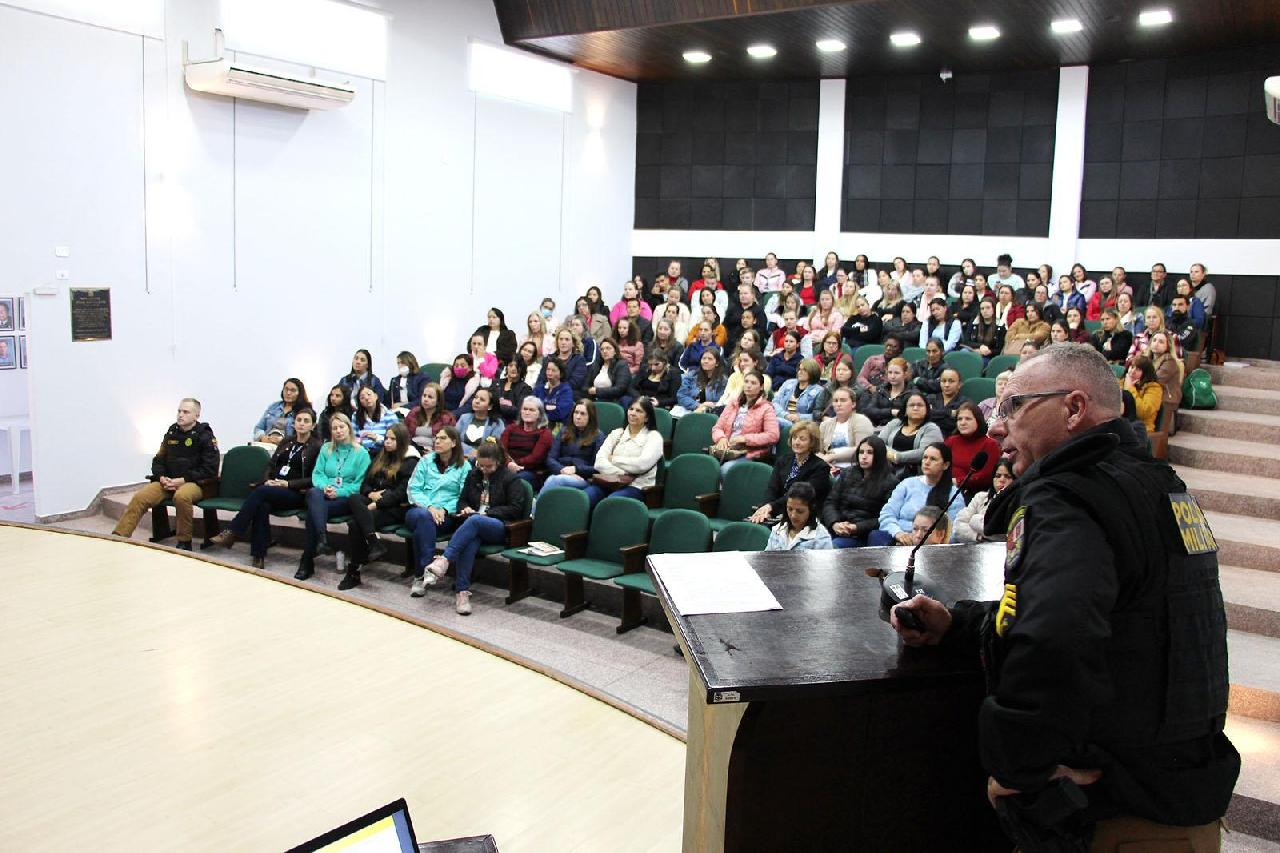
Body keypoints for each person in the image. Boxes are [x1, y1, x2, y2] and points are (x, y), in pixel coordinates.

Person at [890, 343, 1238, 850]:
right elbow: (1123, 620)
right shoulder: (1160, 484)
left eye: (1014, 406)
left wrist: (1018, 769)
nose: (996, 426)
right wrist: (960, 625)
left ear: (1073, 408)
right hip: (1179, 798)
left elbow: (1052, 638)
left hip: (1115, 820)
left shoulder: (1067, 497)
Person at [420, 439, 530, 615]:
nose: (484, 470)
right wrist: (465, 508)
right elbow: (461, 500)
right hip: (473, 526)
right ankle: (462, 592)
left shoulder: (511, 479)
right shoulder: (473, 475)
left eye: (489, 467)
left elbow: (515, 509)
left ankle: (444, 560)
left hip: (500, 526)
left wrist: (487, 513)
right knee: (470, 540)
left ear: (498, 462)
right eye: (481, 465)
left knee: (475, 521)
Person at [210, 408, 321, 567]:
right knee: (262, 506)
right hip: (273, 488)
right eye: (299, 420)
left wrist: (287, 484)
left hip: (296, 492)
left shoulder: (317, 447)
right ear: (294, 423)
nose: (301, 424)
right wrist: (268, 480)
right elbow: (271, 465)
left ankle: (234, 531)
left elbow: (315, 478)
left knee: (261, 492)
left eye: (306, 421)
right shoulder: (286, 441)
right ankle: (258, 555)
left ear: (313, 425)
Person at [112, 398, 220, 551]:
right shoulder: (171, 433)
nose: (180, 415)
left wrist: (182, 480)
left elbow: (210, 469)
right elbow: (158, 460)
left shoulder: (205, 436)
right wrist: (161, 477)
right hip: (167, 482)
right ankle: (119, 536)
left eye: (186, 412)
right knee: (141, 497)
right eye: (179, 411)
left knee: (182, 497)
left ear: (196, 416)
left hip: (194, 483)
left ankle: (184, 542)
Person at [339, 422, 418, 589]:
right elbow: (365, 484)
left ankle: (354, 571)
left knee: (355, 524)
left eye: (392, 439)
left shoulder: (410, 461)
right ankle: (373, 541)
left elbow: (401, 493)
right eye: (386, 438)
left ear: (402, 441)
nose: (387, 442)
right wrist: (370, 494)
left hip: (396, 508)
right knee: (354, 498)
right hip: (375, 501)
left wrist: (377, 504)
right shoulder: (380, 456)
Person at [298, 413, 370, 580]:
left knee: (313, 513)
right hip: (323, 495)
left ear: (349, 428)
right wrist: (326, 487)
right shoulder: (326, 448)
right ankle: (321, 537)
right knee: (314, 492)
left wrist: (339, 492)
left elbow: (359, 485)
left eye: (341, 427)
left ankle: (307, 559)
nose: (338, 431)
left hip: (345, 499)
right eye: (334, 428)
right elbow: (317, 474)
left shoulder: (361, 453)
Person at [871, 442, 964, 546]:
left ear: (945, 465)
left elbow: (953, 531)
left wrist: (920, 538)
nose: (927, 462)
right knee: (876, 536)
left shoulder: (954, 495)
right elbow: (887, 514)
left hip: (930, 545)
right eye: (925, 457)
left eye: (933, 459)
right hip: (899, 540)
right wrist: (898, 533)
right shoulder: (907, 484)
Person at [748, 422, 831, 525]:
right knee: (754, 524)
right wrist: (766, 509)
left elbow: (800, 495)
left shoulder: (820, 467)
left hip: (802, 516)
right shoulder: (783, 460)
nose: (797, 442)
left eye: (802, 439)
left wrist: (771, 507)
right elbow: (772, 489)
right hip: (778, 510)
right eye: (794, 438)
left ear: (812, 442)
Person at [585, 398, 665, 505]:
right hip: (609, 482)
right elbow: (599, 462)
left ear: (647, 418)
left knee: (611, 502)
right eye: (631, 409)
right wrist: (623, 473)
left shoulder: (654, 437)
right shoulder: (616, 433)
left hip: (636, 486)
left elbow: (641, 465)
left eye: (639, 411)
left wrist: (613, 459)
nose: (633, 413)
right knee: (585, 497)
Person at [823, 435, 898, 548]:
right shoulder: (847, 473)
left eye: (870, 453)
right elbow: (830, 502)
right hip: (839, 529)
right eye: (861, 452)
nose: (864, 456)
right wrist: (834, 523)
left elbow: (886, 517)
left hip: (864, 535)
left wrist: (856, 527)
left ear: (879, 455)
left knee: (834, 546)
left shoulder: (890, 482)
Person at [711, 370, 780, 470]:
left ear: (761, 387)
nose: (748, 385)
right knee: (705, 466)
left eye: (753, 383)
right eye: (746, 382)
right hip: (726, 450)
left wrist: (745, 439)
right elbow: (717, 428)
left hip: (750, 453)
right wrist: (721, 438)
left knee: (726, 470)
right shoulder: (733, 404)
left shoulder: (767, 408)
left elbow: (773, 435)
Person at [540, 400, 606, 496]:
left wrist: (576, 469)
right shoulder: (564, 431)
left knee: (554, 480)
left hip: (582, 478)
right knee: (554, 479)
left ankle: (536, 506)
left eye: (582, 414)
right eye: (576, 412)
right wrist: (562, 470)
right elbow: (550, 459)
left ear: (590, 417)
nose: (578, 417)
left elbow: (597, 467)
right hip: (560, 473)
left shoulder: (598, 436)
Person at [879, 391, 944, 476]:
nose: (915, 408)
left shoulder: (932, 428)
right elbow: (878, 442)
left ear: (927, 409)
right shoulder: (895, 423)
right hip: (887, 470)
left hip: (916, 474)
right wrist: (890, 455)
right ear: (905, 410)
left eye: (920, 405)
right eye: (912, 405)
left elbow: (923, 453)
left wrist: (897, 456)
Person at [952, 458, 1014, 543]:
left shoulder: (1017, 501)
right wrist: (980, 537)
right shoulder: (981, 497)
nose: (1002, 480)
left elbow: (1003, 534)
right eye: (997, 476)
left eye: (1007, 476)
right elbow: (957, 527)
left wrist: (975, 520)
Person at [945, 402, 1000, 496]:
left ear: (978, 420)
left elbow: (986, 476)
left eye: (968, 419)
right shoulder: (951, 441)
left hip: (975, 494)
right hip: (946, 490)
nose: (962, 423)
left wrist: (957, 481)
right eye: (959, 419)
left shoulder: (990, 445)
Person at [817, 387, 875, 470]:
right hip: (829, 468)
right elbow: (817, 451)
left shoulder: (862, 421)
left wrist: (833, 456)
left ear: (853, 404)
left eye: (843, 400)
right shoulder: (825, 425)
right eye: (835, 401)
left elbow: (862, 449)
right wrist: (824, 461)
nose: (838, 404)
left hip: (854, 468)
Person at [765, 482, 833, 551]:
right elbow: (766, 556)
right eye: (790, 509)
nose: (793, 516)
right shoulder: (778, 530)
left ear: (811, 509)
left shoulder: (821, 538)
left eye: (800, 511)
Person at [252, 378, 310, 443]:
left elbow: (304, 436)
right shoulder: (274, 406)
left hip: (287, 446)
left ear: (299, 393)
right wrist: (263, 438)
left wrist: (283, 442)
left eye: (293, 390)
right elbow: (258, 428)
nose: (288, 393)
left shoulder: (304, 411)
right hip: (266, 443)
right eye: (286, 389)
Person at [675, 348, 729, 417]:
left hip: (710, 414)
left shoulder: (723, 381)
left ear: (717, 363)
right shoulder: (691, 376)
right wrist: (698, 405)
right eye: (704, 358)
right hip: (689, 410)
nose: (706, 361)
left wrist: (710, 405)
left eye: (710, 359)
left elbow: (722, 401)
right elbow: (681, 395)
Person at [1150, 331, 1184, 436]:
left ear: (1167, 346)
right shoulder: (1147, 359)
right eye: (1154, 340)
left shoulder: (1170, 362)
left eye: (1161, 342)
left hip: (1165, 401)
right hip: (1152, 396)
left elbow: (1154, 381)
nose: (1156, 343)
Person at [861, 356, 913, 427]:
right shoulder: (881, 390)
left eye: (897, 373)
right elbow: (869, 411)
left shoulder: (912, 393)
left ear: (905, 374)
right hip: (879, 427)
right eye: (890, 372)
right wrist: (891, 412)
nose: (892, 376)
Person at [771, 358, 825, 424]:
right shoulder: (788, 383)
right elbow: (775, 402)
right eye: (799, 369)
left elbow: (817, 415)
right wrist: (785, 415)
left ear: (812, 372)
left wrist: (799, 417)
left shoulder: (819, 391)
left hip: (802, 425)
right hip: (781, 419)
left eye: (804, 370)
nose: (800, 372)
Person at [537, 327, 589, 396]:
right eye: (561, 339)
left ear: (573, 343)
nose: (563, 342)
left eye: (567, 339)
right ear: (557, 342)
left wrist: (554, 389)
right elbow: (540, 380)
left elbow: (574, 383)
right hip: (547, 394)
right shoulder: (548, 359)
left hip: (568, 395)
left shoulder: (579, 360)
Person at [455, 387, 505, 458]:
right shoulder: (464, 418)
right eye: (476, 397)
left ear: (490, 406)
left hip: (483, 459)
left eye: (482, 400)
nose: (477, 401)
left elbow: (492, 447)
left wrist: (478, 453)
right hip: (460, 456)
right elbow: (454, 439)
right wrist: (470, 451)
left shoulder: (497, 424)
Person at [405, 383, 456, 451]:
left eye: (430, 397)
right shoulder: (414, 413)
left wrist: (434, 452)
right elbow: (404, 435)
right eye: (424, 396)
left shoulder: (446, 418)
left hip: (434, 452)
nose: (425, 399)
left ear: (438, 401)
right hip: (412, 450)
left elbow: (446, 443)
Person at [584, 338, 632, 404]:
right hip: (594, 400)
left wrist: (597, 391)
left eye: (608, 348)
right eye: (602, 349)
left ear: (615, 351)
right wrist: (589, 391)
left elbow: (619, 389)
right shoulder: (596, 365)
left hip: (613, 401)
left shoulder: (621, 364)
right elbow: (585, 386)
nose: (604, 351)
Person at [352, 386, 399, 453]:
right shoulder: (356, 416)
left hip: (384, 452)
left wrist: (377, 438)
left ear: (376, 396)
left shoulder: (390, 415)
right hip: (362, 452)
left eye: (369, 394)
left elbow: (396, 440)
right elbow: (353, 438)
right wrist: (359, 442)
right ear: (360, 402)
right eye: (362, 397)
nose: (366, 398)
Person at [1125, 355, 1164, 434]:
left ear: (1146, 373)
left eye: (1138, 369)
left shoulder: (1154, 388)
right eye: (1132, 367)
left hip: (1141, 430)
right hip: (1123, 426)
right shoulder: (1122, 382)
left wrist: (1130, 389)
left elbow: (1143, 412)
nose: (1132, 371)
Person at [533, 357, 575, 428]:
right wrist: (548, 407)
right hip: (537, 425)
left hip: (557, 427)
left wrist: (541, 408)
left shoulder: (566, 390)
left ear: (561, 373)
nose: (549, 373)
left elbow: (560, 414)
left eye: (553, 370)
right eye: (548, 370)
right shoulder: (538, 389)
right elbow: (532, 408)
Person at [927, 367, 968, 437]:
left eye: (951, 381)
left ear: (959, 384)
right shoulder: (930, 398)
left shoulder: (964, 403)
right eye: (943, 381)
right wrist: (949, 412)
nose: (947, 385)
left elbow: (954, 424)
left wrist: (933, 414)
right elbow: (924, 416)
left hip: (951, 438)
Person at [493, 354, 533, 425]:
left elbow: (518, 411)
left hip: (510, 424)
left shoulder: (525, 389)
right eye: (510, 365)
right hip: (492, 421)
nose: (513, 368)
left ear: (521, 368)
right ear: (507, 367)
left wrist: (496, 405)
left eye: (516, 366)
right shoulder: (497, 382)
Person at [963, 298, 1005, 363]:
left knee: (976, 361)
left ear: (993, 309)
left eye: (988, 308)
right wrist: (980, 346)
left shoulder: (1000, 325)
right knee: (963, 352)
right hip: (973, 352)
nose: (985, 311)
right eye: (982, 309)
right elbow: (966, 341)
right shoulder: (974, 322)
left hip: (989, 357)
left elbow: (1000, 349)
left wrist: (990, 351)